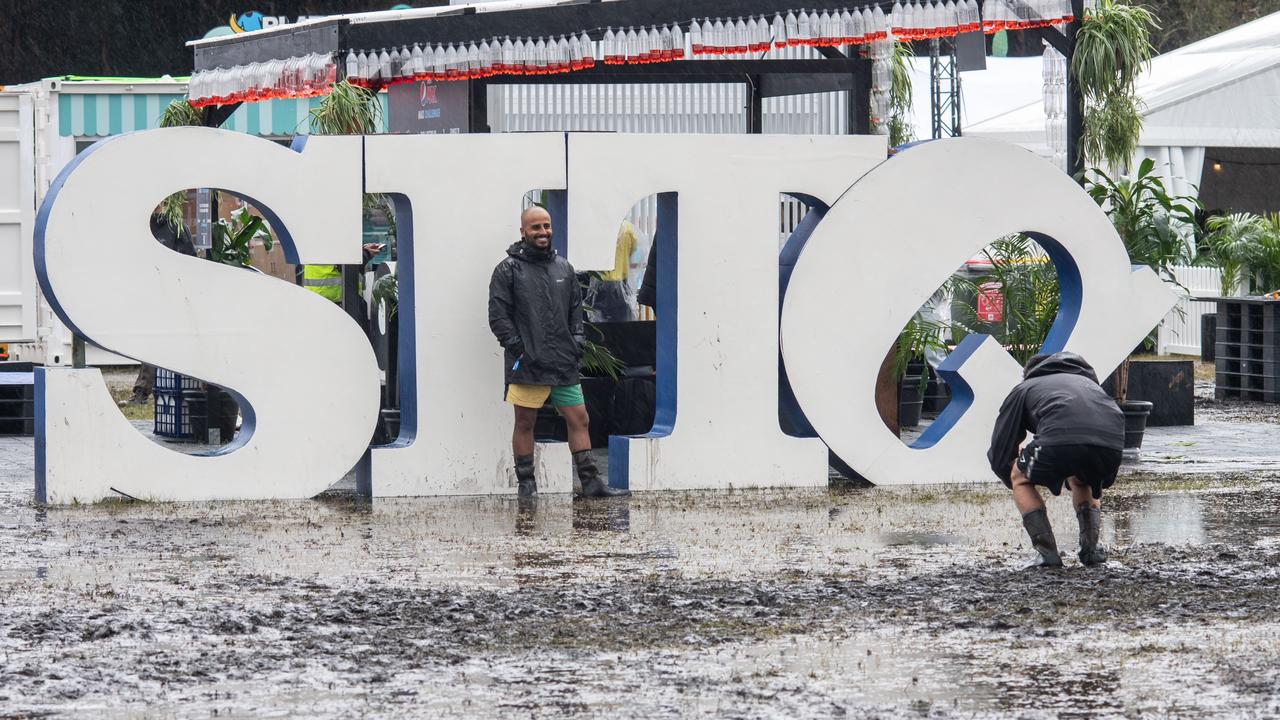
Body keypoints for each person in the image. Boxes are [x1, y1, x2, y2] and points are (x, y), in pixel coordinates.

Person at [488, 206, 629, 499]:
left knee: (580, 419)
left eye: (546, 226)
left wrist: (576, 342)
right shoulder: (507, 269)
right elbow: (498, 317)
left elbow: (575, 313)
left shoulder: (564, 268)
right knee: (525, 423)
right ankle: (527, 485)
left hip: (563, 362)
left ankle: (591, 483)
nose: (542, 232)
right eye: (535, 227)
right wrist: (520, 349)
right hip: (527, 364)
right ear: (523, 232)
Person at [988, 351, 1124, 568]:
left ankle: (1047, 554)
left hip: (1059, 441)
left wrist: (1016, 478)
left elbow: (1001, 449)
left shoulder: (1025, 388)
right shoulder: (1091, 386)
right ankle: (1091, 551)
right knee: (1083, 478)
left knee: (1020, 476)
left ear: (1028, 374)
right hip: (1112, 447)